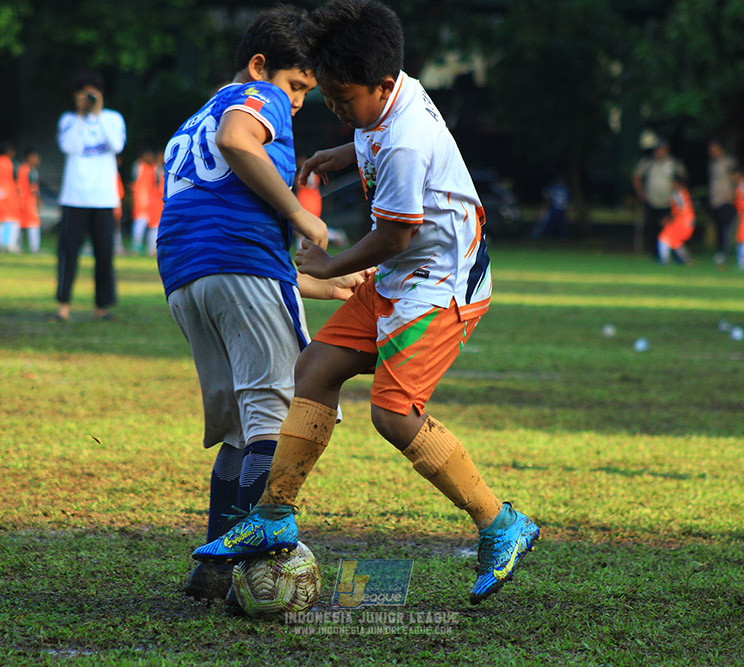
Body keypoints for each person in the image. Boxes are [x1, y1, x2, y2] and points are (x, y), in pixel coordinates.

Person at [192, 0, 540, 606]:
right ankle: (275, 513)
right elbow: (373, 132)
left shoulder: (404, 141)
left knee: (392, 413)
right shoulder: (390, 95)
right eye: (327, 98)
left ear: (382, 84)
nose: (335, 109)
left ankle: (500, 523)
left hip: (440, 286)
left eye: (343, 100)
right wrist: (344, 151)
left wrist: (330, 264)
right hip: (405, 274)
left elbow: (395, 233)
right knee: (314, 369)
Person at [155, 6, 359, 605]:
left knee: (242, 428)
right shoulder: (255, 97)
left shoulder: (198, 113)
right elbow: (236, 141)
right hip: (238, 269)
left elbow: (236, 247)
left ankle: (215, 566)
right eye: (297, 86)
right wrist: (298, 211)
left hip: (186, 277)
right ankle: (258, 563)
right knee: (276, 416)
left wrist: (332, 286)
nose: (297, 103)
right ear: (260, 66)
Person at [54, 70, 126, 322]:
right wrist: (82, 116)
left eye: (91, 93)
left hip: (104, 198)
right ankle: (63, 305)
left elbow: (117, 145)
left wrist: (98, 115)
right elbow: (68, 147)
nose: (86, 97)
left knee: (104, 254)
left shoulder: (113, 119)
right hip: (74, 197)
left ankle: (102, 307)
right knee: (68, 252)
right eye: (82, 93)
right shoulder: (68, 120)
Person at [633, 139, 687, 256]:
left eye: (661, 149)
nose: (658, 152)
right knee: (651, 228)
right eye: (657, 149)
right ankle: (654, 252)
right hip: (651, 201)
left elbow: (682, 179)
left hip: (668, 202)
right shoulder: (648, 162)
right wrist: (641, 193)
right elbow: (636, 176)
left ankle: (670, 253)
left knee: (669, 229)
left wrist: (678, 194)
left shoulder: (674, 163)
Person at [707, 140, 736, 264]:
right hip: (715, 200)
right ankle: (719, 251)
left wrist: (733, 193)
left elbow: (736, 178)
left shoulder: (728, 162)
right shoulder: (712, 164)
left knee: (725, 227)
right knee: (718, 227)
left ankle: (725, 252)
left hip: (726, 199)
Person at [0, 142, 20, 253]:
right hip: (8, 193)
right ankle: (12, 245)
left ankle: (0, 244)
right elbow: (14, 178)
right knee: (15, 219)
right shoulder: (9, 162)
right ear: (8, 151)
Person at [657, 174, 694, 265]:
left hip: (683, 221)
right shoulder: (684, 192)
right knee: (675, 241)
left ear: (676, 183)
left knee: (664, 238)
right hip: (687, 220)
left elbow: (680, 208)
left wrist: (668, 219)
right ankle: (687, 259)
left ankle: (664, 261)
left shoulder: (677, 193)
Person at [131, 148, 158, 254]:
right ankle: (136, 247)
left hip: (151, 201)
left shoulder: (152, 168)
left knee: (152, 224)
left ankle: (150, 248)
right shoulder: (139, 166)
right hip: (141, 199)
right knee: (140, 222)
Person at [16, 148, 42, 254]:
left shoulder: (21, 168)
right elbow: (33, 187)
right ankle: (35, 248)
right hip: (28, 201)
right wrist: (39, 200)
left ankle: (17, 246)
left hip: (20, 200)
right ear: (29, 157)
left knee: (21, 225)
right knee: (34, 224)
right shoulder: (31, 170)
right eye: (35, 157)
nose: (38, 160)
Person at [535, 173, 570, 239]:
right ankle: (548, 239)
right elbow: (547, 199)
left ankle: (562, 240)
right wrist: (545, 209)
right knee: (549, 226)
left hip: (561, 210)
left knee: (562, 227)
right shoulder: (551, 187)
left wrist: (567, 212)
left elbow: (566, 201)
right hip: (552, 210)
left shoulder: (566, 188)